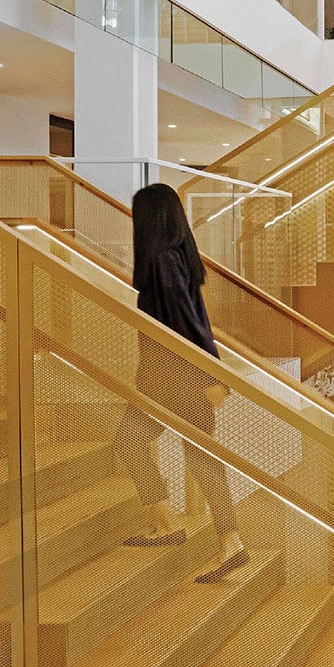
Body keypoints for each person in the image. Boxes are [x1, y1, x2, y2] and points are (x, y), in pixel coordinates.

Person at [117, 183, 248, 585]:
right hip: (175, 373)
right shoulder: (177, 256)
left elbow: (184, 322)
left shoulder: (159, 258)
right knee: (198, 456)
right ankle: (219, 538)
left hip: (172, 375)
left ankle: (192, 529)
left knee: (133, 442)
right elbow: (196, 320)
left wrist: (209, 376)